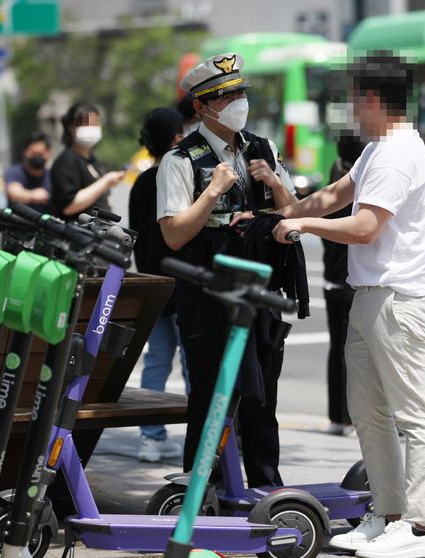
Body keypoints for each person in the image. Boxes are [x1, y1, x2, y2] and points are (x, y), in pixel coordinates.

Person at [268, 53, 425, 558]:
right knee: (369, 414)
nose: (349, 108)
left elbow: (365, 227)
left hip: (399, 299)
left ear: (369, 98)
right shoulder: (376, 149)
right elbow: (333, 196)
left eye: (351, 98)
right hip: (370, 298)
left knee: (413, 416)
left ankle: (420, 527)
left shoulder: (397, 153)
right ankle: (387, 515)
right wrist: (278, 213)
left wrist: (302, 226)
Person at [156, 53, 297, 487]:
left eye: (239, 93)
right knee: (211, 399)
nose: (237, 102)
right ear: (201, 106)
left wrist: (273, 183)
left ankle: (265, 489)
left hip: (261, 293)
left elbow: (294, 217)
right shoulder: (180, 161)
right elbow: (174, 234)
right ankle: (202, 494)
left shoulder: (262, 148)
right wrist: (213, 193)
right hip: (208, 299)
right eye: (225, 96)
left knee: (262, 400)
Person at [128, 107, 190, 462]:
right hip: (183, 282)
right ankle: (197, 431)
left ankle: (151, 437)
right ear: (177, 138)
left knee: (156, 360)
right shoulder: (179, 176)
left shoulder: (140, 182)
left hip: (153, 285)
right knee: (193, 362)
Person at [322, 133, 365, 437]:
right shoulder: (360, 190)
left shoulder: (332, 184)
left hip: (330, 281)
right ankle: (352, 416)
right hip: (352, 282)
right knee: (357, 352)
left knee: (337, 348)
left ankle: (337, 417)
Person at [50, 103, 125, 220]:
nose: (91, 128)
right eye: (85, 124)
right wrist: (105, 182)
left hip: (99, 234)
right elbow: (68, 206)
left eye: (95, 124)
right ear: (71, 127)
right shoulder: (66, 160)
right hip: (77, 233)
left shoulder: (92, 160)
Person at [4, 132, 53, 214]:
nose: (37, 156)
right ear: (25, 152)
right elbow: (14, 194)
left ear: (48, 153)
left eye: (40, 153)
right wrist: (33, 195)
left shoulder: (53, 176)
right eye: (34, 153)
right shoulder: (15, 172)